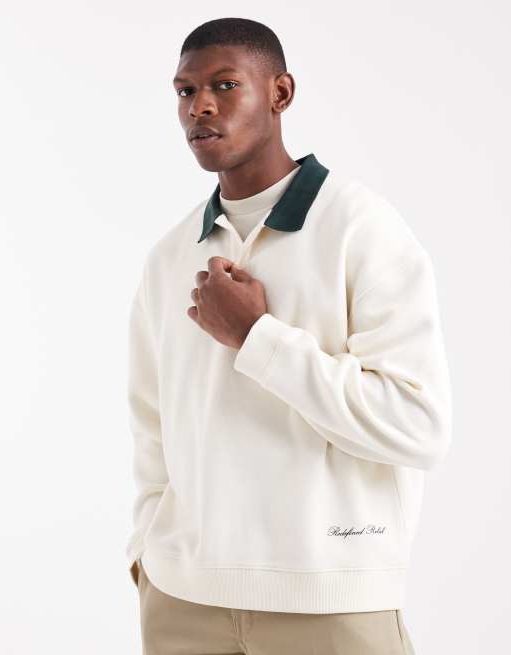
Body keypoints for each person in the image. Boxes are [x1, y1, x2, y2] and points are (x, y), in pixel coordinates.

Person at [126, 16, 451, 655]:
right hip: (182, 604)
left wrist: (257, 337)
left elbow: (418, 424)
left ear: (281, 93)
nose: (200, 106)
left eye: (225, 85)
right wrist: (149, 554)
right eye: (186, 91)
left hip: (329, 604)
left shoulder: (362, 229)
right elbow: (151, 425)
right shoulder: (169, 257)